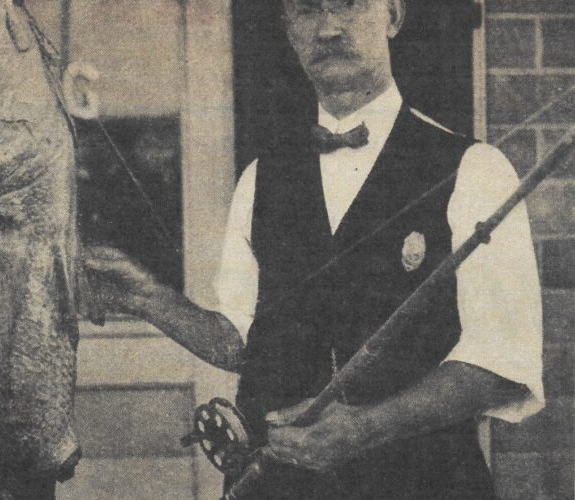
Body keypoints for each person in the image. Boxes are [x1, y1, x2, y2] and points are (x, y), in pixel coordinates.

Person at [84, 0, 544, 497]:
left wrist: (367, 428)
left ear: (392, 16)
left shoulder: (476, 169)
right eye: (306, 11)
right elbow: (243, 339)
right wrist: (146, 298)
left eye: (348, 5)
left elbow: (502, 363)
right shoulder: (261, 178)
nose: (328, 28)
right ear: (288, 30)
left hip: (421, 481)